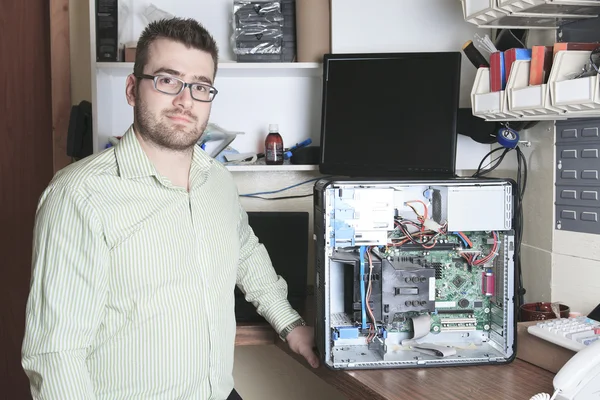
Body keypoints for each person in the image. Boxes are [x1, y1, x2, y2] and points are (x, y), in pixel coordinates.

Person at [21, 17, 318, 400]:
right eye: (167, 80)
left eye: (200, 86)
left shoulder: (218, 181)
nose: (184, 100)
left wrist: (290, 324)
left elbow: (244, 250)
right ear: (132, 89)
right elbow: (55, 355)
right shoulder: (80, 196)